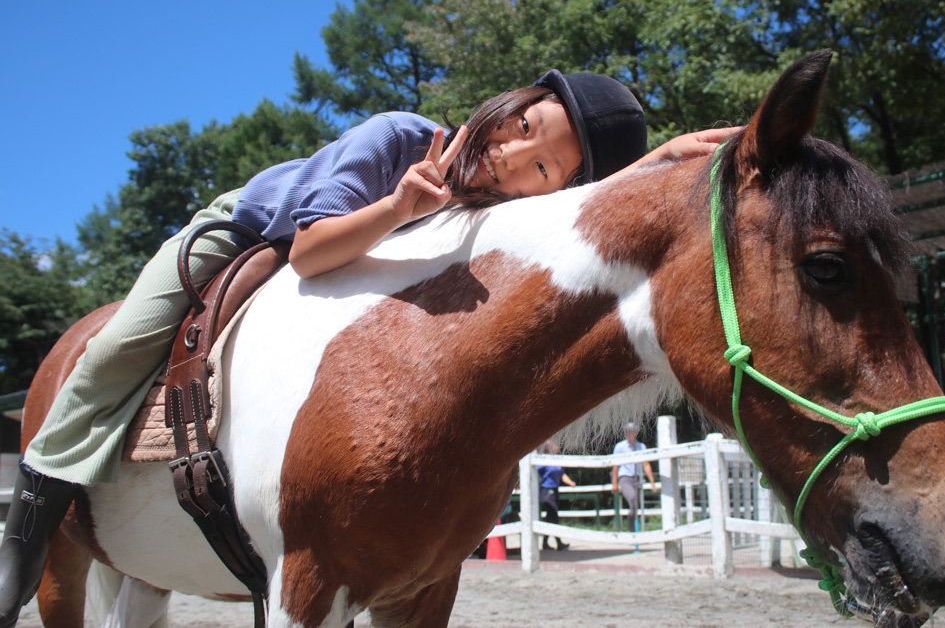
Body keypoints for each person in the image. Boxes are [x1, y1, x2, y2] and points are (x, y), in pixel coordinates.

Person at [0, 67, 737, 625]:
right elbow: (310, 251)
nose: (512, 156)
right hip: (243, 232)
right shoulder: (400, 136)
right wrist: (398, 207)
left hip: (328, 255)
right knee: (113, 347)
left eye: (543, 168)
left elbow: (573, 224)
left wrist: (653, 165)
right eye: (525, 125)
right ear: (514, 102)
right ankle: (26, 533)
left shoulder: (495, 213)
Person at [611, 422, 658, 533]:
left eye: (630, 432)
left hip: (637, 478)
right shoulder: (620, 447)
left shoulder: (641, 447)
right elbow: (615, 466)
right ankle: (631, 530)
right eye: (626, 432)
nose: (628, 434)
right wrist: (615, 483)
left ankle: (633, 530)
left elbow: (646, 464)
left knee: (635, 505)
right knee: (632, 500)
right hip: (625, 477)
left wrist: (652, 482)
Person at [537, 440, 576, 551]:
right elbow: (535, 470)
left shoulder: (556, 461)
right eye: (554, 445)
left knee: (550, 518)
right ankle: (558, 542)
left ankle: (546, 543)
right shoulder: (543, 460)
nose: (557, 446)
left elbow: (562, 474)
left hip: (554, 491)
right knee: (553, 516)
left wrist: (571, 483)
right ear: (548, 448)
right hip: (547, 491)